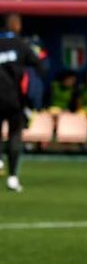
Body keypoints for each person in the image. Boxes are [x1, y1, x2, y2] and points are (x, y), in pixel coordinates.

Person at [0, 13, 45, 192]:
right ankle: (12, 177)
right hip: (14, 99)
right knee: (15, 135)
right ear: (16, 25)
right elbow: (40, 66)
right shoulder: (21, 45)